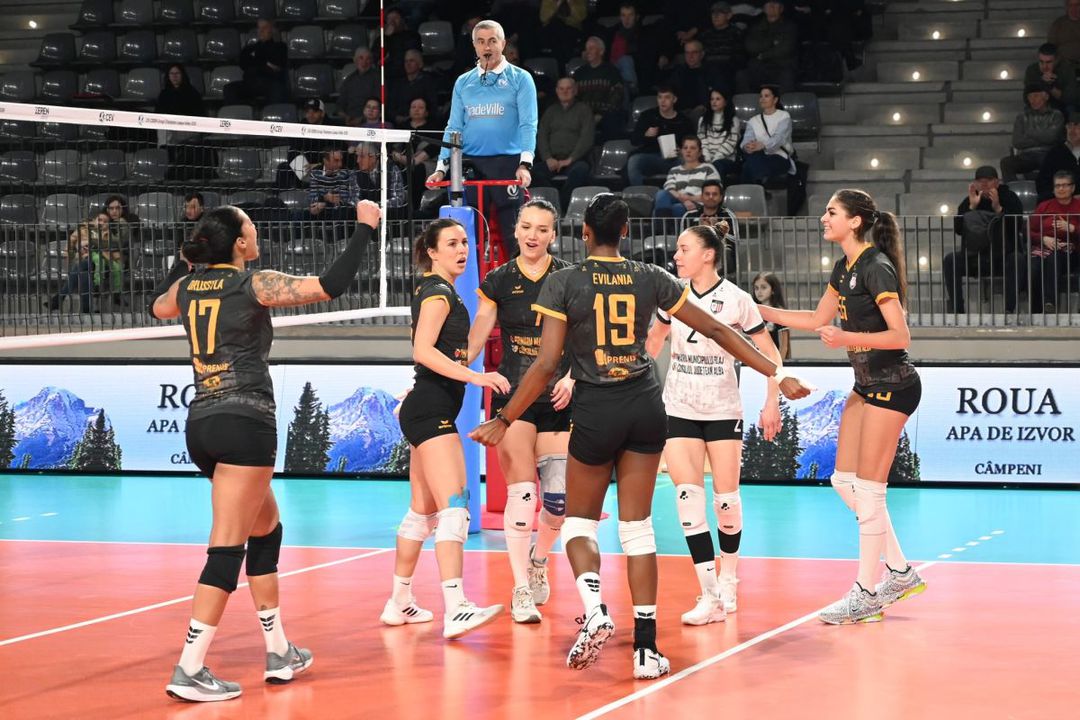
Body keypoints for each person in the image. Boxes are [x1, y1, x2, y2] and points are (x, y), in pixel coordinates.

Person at [470, 194, 812, 678]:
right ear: (627, 232)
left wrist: (504, 418)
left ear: (583, 233)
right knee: (638, 530)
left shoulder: (564, 281)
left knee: (578, 524)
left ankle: (595, 611)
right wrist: (776, 373)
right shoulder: (652, 277)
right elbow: (719, 330)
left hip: (597, 409)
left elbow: (546, 365)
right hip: (646, 406)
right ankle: (646, 649)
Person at [149, 199, 383, 701]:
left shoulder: (187, 288)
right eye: (251, 228)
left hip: (202, 423)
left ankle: (279, 650)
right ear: (239, 243)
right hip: (245, 422)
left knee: (266, 529)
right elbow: (330, 285)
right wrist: (365, 228)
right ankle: (189, 667)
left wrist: (184, 263)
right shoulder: (251, 283)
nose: (257, 233)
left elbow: (156, 306)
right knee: (226, 548)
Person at [757, 189, 926, 625]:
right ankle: (900, 571)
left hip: (894, 386)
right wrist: (758, 311)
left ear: (855, 221)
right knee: (843, 481)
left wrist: (847, 337)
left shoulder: (876, 266)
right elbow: (816, 320)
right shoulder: (844, 267)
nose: (823, 218)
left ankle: (866, 593)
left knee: (869, 491)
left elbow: (901, 336)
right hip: (866, 386)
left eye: (831, 212)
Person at [644, 225, 782, 625]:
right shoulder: (672, 294)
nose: (676, 256)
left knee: (726, 501)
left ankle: (729, 578)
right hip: (679, 407)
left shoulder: (738, 300)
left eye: (684, 249)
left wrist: (772, 400)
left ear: (708, 254)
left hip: (722, 409)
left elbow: (769, 353)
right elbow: (653, 343)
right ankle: (709, 595)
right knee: (687, 498)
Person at [382, 218, 510, 639]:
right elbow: (423, 352)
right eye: (452, 243)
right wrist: (478, 378)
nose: (462, 249)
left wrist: (488, 313)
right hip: (430, 409)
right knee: (455, 507)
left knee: (422, 513)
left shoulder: (443, 292)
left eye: (465, 242)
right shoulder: (437, 293)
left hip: (425, 408)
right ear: (432, 252)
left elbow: (460, 353)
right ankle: (456, 607)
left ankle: (399, 602)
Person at [466, 199, 575, 624]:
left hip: (558, 399)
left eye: (542, 229)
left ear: (553, 235)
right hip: (514, 399)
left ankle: (539, 560)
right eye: (527, 227)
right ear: (516, 230)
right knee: (522, 493)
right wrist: (458, 365)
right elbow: (480, 329)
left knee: (558, 502)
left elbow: (582, 336)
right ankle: (520, 590)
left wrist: (572, 378)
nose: (533, 235)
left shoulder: (568, 277)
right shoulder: (499, 280)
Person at [428, 20, 538, 259]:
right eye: (481, 42)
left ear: (503, 44)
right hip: (470, 165)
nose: (487, 47)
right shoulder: (463, 82)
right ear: (474, 46)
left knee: (513, 234)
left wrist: (525, 164)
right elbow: (454, 127)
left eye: (492, 41)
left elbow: (528, 124)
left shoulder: (521, 79)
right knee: (468, 235)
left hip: (507, 164)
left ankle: (519, 281)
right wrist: (441, 168)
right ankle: (469, 282)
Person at [947, 165, 1024, 314]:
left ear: (997, 182)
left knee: (1017, 259)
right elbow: (958, 229)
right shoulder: (969, 200)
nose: (984, 184)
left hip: (1002, 257)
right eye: (980, 181)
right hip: (975, 258)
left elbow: (1017, 226)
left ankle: (1009, 309)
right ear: (975, 183)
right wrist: (971, 208)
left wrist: (998, 209)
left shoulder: (1009, 197)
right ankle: (958, 310)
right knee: (951, 260)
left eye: (988, 180)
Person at [1018, 169, 1080, 313]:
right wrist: (1043, 238)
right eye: (1057, 186)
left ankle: (1050, 303)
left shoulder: (1078, 206)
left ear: (1072, 188)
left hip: (1070, 252)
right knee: (1034, 266)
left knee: (1054, 257)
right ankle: (1035, 311)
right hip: (1043, 248)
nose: (1061, 189)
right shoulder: (1044, 206)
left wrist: (1072, 228)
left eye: (1065, 185)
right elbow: (1028, 230)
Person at [532, 77, 596, 208]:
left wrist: (570, 159)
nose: (564, 92)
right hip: (552, 161)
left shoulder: (584, 110)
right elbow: (542, 136)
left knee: (581, 170)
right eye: (561, 89)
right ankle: (553, 202)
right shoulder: (550, 111)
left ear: (575, 90)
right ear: (556, 91)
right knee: (532, 172)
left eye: (568, 88)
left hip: (575, 161)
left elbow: (587, 138)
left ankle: (564, 204)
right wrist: (548, 158)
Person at [627, 85, 696, 186]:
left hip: (675, 158)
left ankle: (682, 192)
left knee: (688, 162)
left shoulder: (683, 120)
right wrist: (646, 134)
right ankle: (640, 192)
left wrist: (682, 150)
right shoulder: (648, 116)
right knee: (634, 161)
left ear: (674, 99)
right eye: (660, 97)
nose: (662, 101)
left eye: (667, 97)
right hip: (650, 156)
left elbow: (693, 142)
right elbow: (634, 140)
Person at [1000, 85, 1065, 182]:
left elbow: (1051, 137)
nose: (1032, 100)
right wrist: (1043, 137)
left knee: (1053, 161)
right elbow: (1017, 142)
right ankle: (1013, 189)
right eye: (1030, 97)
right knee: (1006, 162)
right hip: (1026, 155)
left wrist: (1029, 133)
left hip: (1048, 153)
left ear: (1046, 97)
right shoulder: (1021, 117)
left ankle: (1048, 188)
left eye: (1036, 96)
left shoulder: (1056, 115)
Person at [653, 136, 721, 221]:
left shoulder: (708, 168)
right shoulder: (674, 170)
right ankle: (663, 229)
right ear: (681, 151)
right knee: (661, 194)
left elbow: (713, 194)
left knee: (677, 208)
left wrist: (690, 199)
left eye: (692, 148)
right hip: (679, 201)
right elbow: (669, 189)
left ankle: (665, 228)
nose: (688, 151)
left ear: (700, 152)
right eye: (685, 148)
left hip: (698, 205)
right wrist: (684, 200)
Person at [739, 85, 795, 184]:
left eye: (766, 96)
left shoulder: (784, 116)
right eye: (761, 96)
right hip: (758, 156)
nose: (762, 99)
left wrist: (763, 145)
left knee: (748, 166)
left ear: (775, 100)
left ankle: (752, 188)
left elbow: (779, 138)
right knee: (753, 160)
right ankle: (759, 185)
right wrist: (748, 146)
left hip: (779, 156)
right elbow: (747, 138)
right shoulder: (753, 120)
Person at [684, 180, 738, 277]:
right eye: (707, 194)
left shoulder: (727, 215)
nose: (711, 197)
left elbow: (735, 240)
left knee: (722, 251)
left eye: (714, 194)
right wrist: (699, 230)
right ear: (701, 197)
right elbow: (682, 240)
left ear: (721, 197)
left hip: (720, 254)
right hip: (696, 252)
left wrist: (717, 230)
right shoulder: (690, 216)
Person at [233, 18, 289, 104]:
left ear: (272, 30)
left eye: (265, 27)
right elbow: (242, 63)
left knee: (277, 88)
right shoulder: (249, 48)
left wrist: (256, 61)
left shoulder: (280, 47)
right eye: (259, 28)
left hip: (270, 82)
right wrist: (265, 63)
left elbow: (277, 66)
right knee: (230, 88)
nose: (261, 31)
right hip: (250, 82)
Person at [698, 88, 741, 181]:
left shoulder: (734, 120)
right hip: (706, 158)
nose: (714, 102)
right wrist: (707, 158)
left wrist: (714, 160)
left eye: (718, 99)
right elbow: (702, 141)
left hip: (726, 159)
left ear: (725, 102)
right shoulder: (702, 120)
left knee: (717, 166)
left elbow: (730, 144)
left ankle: (716, 188)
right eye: (712, 99)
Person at [1037, 112, 1080, 200]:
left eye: (1076, 125)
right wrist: (1064, 197)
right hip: (1060, 202)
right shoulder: (1055, 153)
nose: (1072, 130)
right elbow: (1042, 184)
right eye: (1069, 126)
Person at [1024, 43, 1078, 113]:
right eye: (1041, 62)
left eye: (1048, 62)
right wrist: (1043, 83)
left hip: (1062, 106)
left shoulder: (1066, 70)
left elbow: (1071, 98)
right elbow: (1026, 98)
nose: (1044, 66)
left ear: (1056, 61)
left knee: (1071, 108)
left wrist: (1051, 86)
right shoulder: (1032, 70)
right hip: (1039, 105)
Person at [752, 271, 790, 359]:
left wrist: (780, 364)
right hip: (758, 360)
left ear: (773, 290)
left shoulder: (779, 313)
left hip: (773, 361)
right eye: (756, 288)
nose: (759, 291)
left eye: (763, 287)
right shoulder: (754, 312)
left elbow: (784, 346)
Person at [338, 47, 379, 126]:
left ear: (371, 61)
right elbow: (340, 103)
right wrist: (345, 116)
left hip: (369, 121)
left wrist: (362, 119)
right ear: (355, 60)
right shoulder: (349, 80)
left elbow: (379, 105)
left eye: (368, 59)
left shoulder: (378, 78)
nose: (364, 62)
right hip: (349, 121)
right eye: (361, 58)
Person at [1047, 0, 1080, 65]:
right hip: (1064, 64)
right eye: (1071, 5)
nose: (1074, 8)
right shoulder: (1058, 24)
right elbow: (1051, 47)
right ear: (1067, 7)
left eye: (1077, 5)